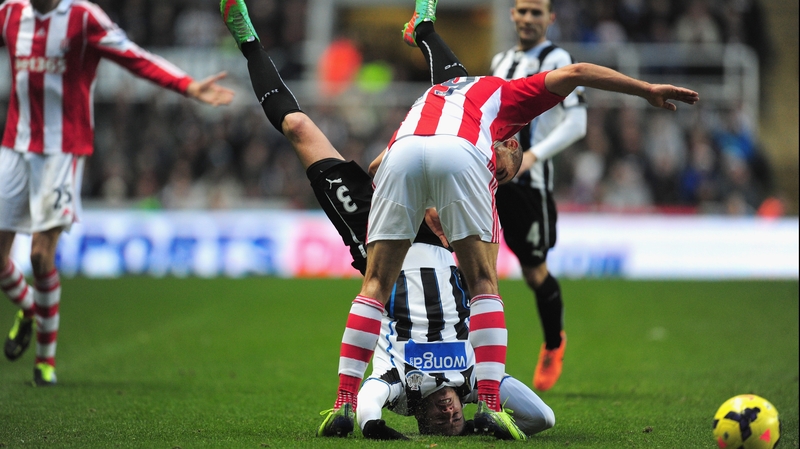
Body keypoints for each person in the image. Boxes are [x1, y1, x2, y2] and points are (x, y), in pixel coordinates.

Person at [327, 0, 697, 441]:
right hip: (459, 152)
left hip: (402, 148)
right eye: (504, 167)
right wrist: (646, 89)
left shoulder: (435, 96)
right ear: (507, 141)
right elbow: (577, 73)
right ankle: (486, 404)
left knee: (374, 286)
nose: (499, 176)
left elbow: (375, 168)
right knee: (484, 282)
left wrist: (423, 194)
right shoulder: (506, 96)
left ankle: (344, 404)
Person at [0, 0, 234, 386]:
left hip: (63, 150)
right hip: (14, 146)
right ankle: (28, 308)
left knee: (41, 257)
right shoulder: (10, 13)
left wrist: (187, 85)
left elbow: (133, 56)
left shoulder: (82, 17)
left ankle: (44, 363)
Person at [355, 242, 556, 440]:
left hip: (390, 251)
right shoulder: (474, 383)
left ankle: (342, 401)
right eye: (457, 417)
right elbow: (542, 418)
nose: (449, 411)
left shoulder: (401, 391)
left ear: (420, 416)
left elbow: (368, 399)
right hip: (441, 245)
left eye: (441, 420)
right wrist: (486, 428)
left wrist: (372, 427)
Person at [489, 0, 587, 392]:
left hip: (532, 185)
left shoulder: (558, 58)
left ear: (550, 19)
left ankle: (552, 343)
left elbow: (577, 123)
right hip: (491, 181)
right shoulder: (499, 61)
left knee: (534, 271)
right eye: (522, 10)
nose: (528, 18)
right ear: (512, 15)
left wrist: (532, 156)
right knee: (471, 264)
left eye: (536, 12)